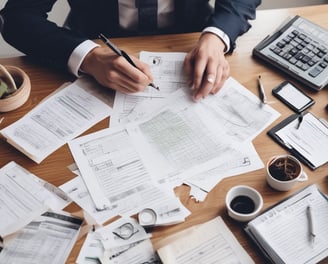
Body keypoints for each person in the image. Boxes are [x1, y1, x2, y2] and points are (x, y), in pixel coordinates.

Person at [0, 0, 260, 101]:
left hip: (190, 34)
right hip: (95, 40)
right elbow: (17, 18)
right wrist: (89, 57)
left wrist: (216, 36)